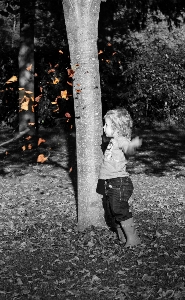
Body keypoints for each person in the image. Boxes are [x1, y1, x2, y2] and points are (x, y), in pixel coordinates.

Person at [97, 107, 142, 247]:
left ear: (117, 128)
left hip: (120, 182)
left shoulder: (121, 139)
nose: (104, 127)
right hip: (111, 182)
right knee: (113, 211)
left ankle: (134, 239)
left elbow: (127, 148)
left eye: (107, 125)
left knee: (119, 210)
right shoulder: (113, 140)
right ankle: (123, 238)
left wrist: (133, 145)